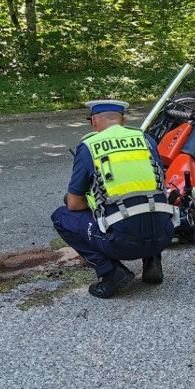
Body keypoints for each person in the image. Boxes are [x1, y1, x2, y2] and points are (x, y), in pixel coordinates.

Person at [51, 99, 176, 299]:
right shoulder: (146, 140)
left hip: (122, 244)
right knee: (146, 199)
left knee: (61, 215)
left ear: (94, 122)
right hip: (164, 235)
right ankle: (152, 262)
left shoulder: (89, 146)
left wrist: (97, 204)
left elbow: (74, 204)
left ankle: (111, 272)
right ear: (123, 121)